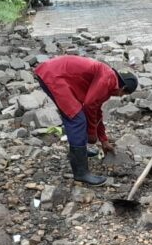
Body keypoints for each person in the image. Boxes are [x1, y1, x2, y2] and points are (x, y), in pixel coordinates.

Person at [34, 55, 139, 186]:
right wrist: (92, 133)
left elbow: (97, 110)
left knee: (74, 115)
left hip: (55, 73)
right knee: (77, 119)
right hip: (53, 75)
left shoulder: (110, 80)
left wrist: (103, 139)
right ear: (123, 89)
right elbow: (89, 105)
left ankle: (79, 152)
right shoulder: (108, 80)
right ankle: (81, 173)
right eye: (123, 94)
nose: (120, 96)